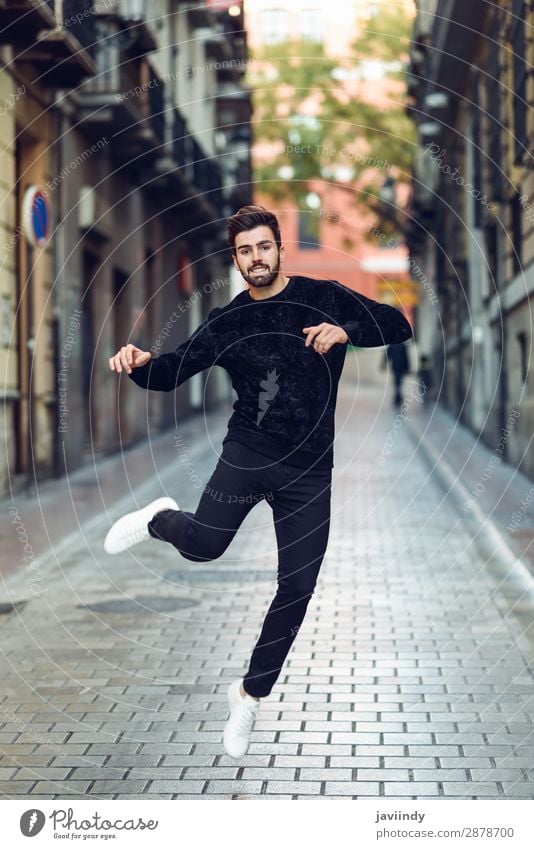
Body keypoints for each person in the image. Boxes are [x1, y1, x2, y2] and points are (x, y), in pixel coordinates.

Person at [104, 204, 413, 759]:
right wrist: (137, 362)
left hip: (310, 468)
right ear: (237, 259)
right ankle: (157, 519)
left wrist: (345, 331)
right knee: (203, 546)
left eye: (264, 247)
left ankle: (249, 694)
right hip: (248, 453)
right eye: (245, 251)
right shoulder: (229, 321)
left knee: (297, 585)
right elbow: (174, 369)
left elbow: (398, 324)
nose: (256, 258)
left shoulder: (323, 294)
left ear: (279, 249)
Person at [382, 340, 410, 406]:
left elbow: (387, 356)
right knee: (399, 382)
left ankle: (397, 397)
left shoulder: (391, 345)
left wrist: (384, 364)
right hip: (401, 367)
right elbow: (406, 358)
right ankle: (398, 397)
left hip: (395, 367)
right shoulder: (403, 345)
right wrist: (407, 368)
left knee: (397, 382)